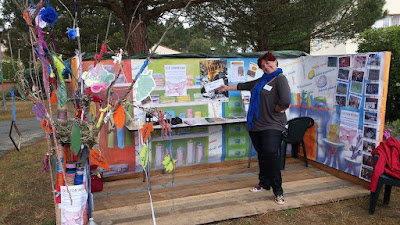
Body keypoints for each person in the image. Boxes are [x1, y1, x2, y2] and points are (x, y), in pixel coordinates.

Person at [217, 52, 291, 205]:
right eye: (263, 66)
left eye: (268, 63)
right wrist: (226, 87)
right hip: (256, 125)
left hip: (272, 125)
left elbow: (285, 100)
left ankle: (278, 190)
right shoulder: (262, 81)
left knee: (271, 155)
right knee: (263, 155)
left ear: (275, 61)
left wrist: (277, 109)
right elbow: (243, 85)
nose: (266, 67)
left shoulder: (280, 79)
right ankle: (264, 183)